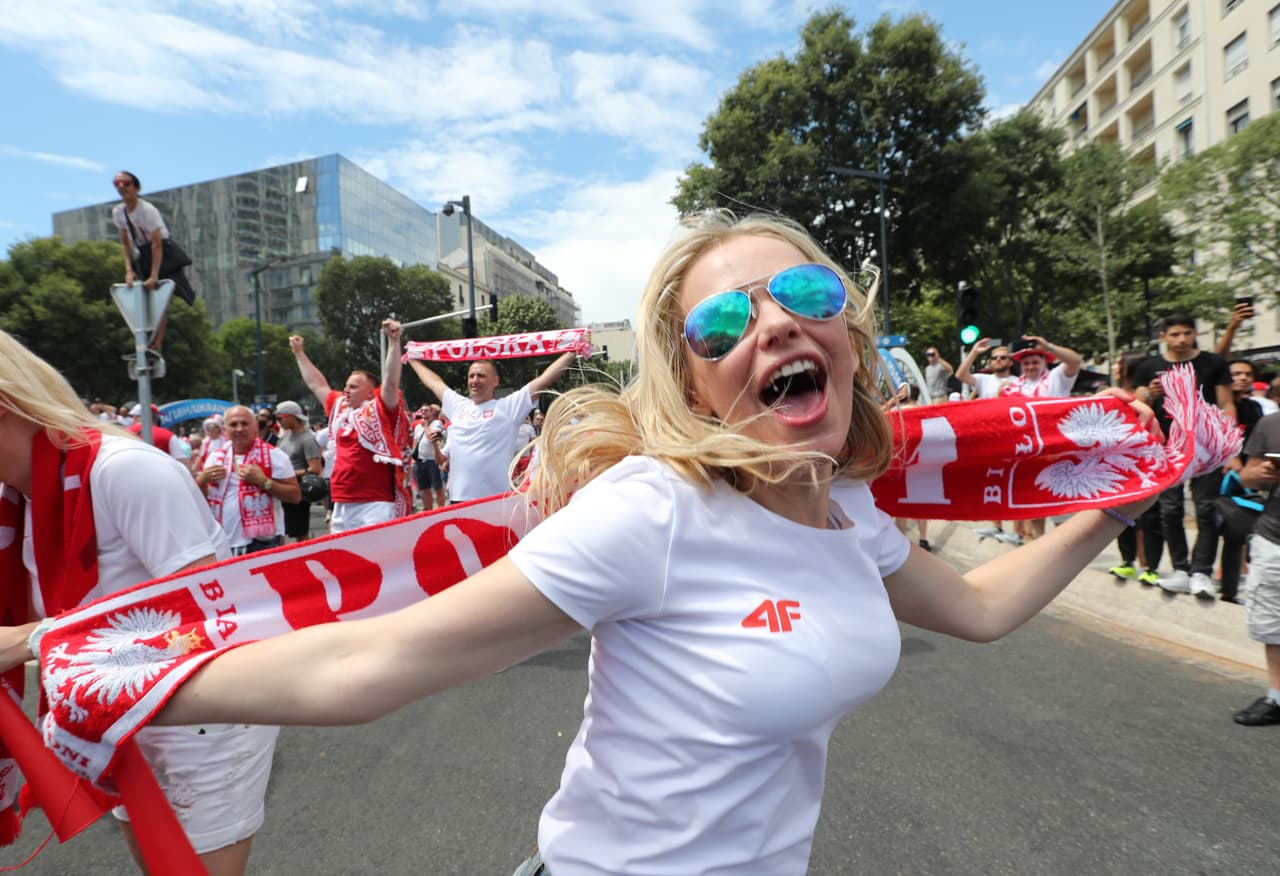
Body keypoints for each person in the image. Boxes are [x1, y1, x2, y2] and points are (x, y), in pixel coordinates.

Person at [143, 213, 1158, 876]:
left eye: (803, 296)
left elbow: (977, 609)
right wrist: (123, 682)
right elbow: (366, 664)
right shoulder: (653, 510)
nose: (772, 326)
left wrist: (1125, 500)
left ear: (846, 334)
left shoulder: (847, 508)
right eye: (723, 324)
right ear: (693, 380)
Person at [0, 330, 277, 876]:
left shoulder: (123, 469)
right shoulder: (19, 499)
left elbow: (212, 614)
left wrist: (37, 638)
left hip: (200, 716)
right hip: (115, 717)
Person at [1133, 314, 1234, 598]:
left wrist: (1229, 446)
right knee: (1170, 510)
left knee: (1206, 509)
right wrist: (1149, 393)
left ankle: (1201, 572)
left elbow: (1226, 405)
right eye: (1175, 334)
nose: (1182, 339)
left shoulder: (1214, 363)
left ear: (1195, 334)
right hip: (1168, 448)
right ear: (1163, 336)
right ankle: (1180, 569)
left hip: (1207, 447)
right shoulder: (1149, 367)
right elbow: (1137, 404)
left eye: (1187, 333)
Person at [409, 352, 578, 503]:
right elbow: (434, 383)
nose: (475, 380)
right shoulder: (458, 406)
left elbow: (544, 380)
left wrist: (572, 351)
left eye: (481, 376)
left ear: (495, 381)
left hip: (495, 501)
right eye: (471, 376)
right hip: (458, 500)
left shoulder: (508, 407)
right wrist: (412, 359)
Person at [290, 321, 408, 532]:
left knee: (375, 551)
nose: (346, 390)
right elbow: (317, 384)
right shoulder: (340, 407)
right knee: (342, 553)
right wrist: (299, 353)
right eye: (346, 385)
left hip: (374, 502)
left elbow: (391, 382)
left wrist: (394, 341)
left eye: (353, 386)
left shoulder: (381, 408)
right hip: (341, 501)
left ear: (371, 392)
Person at [1004, 336, 1084, 541]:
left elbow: (1075, 361)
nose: (1030, 366)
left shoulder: (1056, 378)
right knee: (1035, 502)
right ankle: (1038, 540)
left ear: (1044, 362)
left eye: (1035, 362)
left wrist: (1048, 346)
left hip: (1056, 451)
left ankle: (1063, 544)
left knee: (1060, 505)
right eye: (1026, 363)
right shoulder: (1012, 387)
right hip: (1028, 453)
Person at [1231, 409, 1280, 726]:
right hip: (1274, 538)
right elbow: (1247, 476)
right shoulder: (1272, 424)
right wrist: (1261, 472)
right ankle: (1276, 697)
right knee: (1272, 622)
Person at [196, 406, 301, 554]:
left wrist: (264, 482)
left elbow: (295, 496)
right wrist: (201, 482)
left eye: (244, 424)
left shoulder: (274, 455)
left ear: (255, 427)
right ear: (225, 429)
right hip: (223, 541)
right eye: (233, 424)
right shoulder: (215, 458)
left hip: (262, 542)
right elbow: (201, 500)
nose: (239, 429)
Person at [111, 170, 195, 351]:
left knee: (163, 294)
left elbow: (157, 244)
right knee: (141, 295)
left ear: (137, 188)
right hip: (143, 253)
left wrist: (154, 275)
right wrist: (129, 270)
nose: (121, 187)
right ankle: (147, 341)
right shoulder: (118, 212)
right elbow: (125, 243)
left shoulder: (147, 210)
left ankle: (157, 342)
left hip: (162, 252)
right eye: (117, 184)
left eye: (126, 183)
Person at [956, 339, 1020, 545]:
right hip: (989, 438)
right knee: (992, 482)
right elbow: (960, 375)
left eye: (1003, 357)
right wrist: (975, 351)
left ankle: (1017, 532)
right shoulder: (984, 380)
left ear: (1010, 361)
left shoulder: (1018, 381)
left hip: (1012, 437)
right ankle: (996, 525)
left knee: (1014, 484)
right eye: (994, 358)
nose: (998, 360)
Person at [1108, 351, 1157, 584]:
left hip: (1143, 459)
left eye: (1119, 363)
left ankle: (1148, 565)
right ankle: (1127, 561)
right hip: (1121, 458)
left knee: (1146, 517)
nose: (1115, 367)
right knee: (1122, 513)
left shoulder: (1143, 393)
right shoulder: (1118, 391)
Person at [268, 400, 321, 543]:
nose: (279, 422)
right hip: (281, 490)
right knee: (280, 530)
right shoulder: (283, 439)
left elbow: (315, 468)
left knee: (300, 532)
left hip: (298, 492)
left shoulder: (308, 439)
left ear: (292, 416)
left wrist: (289, 474)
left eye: (281, 418)